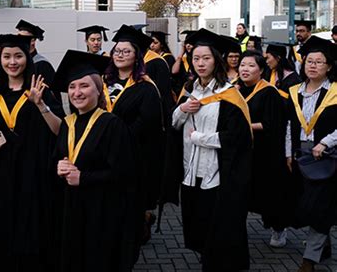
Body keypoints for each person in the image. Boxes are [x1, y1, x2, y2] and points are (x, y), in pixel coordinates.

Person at [0, 34, 63, 271]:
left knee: (31, 232)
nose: (12, 62)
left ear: (27, 58)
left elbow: (59, 130)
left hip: (33, 174)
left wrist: (40, 104)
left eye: (18, 56)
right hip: (0, 174)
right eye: (6, 56)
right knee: (2, 232)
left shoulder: (39, 89)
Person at [170, 28, 253, 272]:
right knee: (199, 226)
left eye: (206, 58)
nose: (200, 63)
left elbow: (237, 139)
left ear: (216, 59)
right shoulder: (190, 89)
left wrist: (199, 137)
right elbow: (174, 125)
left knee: (219, 231)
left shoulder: (229, 95)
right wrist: (181, 111)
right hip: (191, 172)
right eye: (196, 58)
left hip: (217, 174)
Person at [52, 49, 136, 272]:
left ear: (99, 90)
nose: (77, 92)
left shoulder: (112, 125)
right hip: (71, 210)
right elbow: (58, 158)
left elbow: (125, 173)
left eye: (84, 85)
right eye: (72, 86)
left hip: (103, 212)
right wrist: (58, 167)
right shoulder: (67, 123)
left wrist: (84, 177)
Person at [103, 24, 163, 255]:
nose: (119, 55)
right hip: (104, 153)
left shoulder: (146, 87)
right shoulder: (103, 82)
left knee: (129, 205)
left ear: (137, 56)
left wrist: (116, 140)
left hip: (132, 154)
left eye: (126, 51)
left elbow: (145, 123)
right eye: (117, 51)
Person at [286, 36, 337, 272]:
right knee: (305, 206)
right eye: (309, 61)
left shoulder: (335, 92)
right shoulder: (295, 91)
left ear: (329, 66)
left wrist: (326, 143)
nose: (313, 65)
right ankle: (323, 240)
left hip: (326, 158)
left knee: (319, 206)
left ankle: (309, 260)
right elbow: (289, 125)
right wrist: (288, 153)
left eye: (319, 61)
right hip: (300, 155)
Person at [237, 50, 292, 248]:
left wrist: (244, 126)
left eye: (251, 65)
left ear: (261, 70)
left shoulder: (269, 92)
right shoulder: (236, 90)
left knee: (269, 194)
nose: (245, 69)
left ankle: (279, 228)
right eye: (243, 64)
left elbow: (272, 124)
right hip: (242, 151)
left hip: (264, 153)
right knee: (241, 192)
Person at [16, 19, 56, 90]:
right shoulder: (18, 62)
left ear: (33, 40)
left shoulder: (42, 65)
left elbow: (51, 94)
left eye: (22, 37)